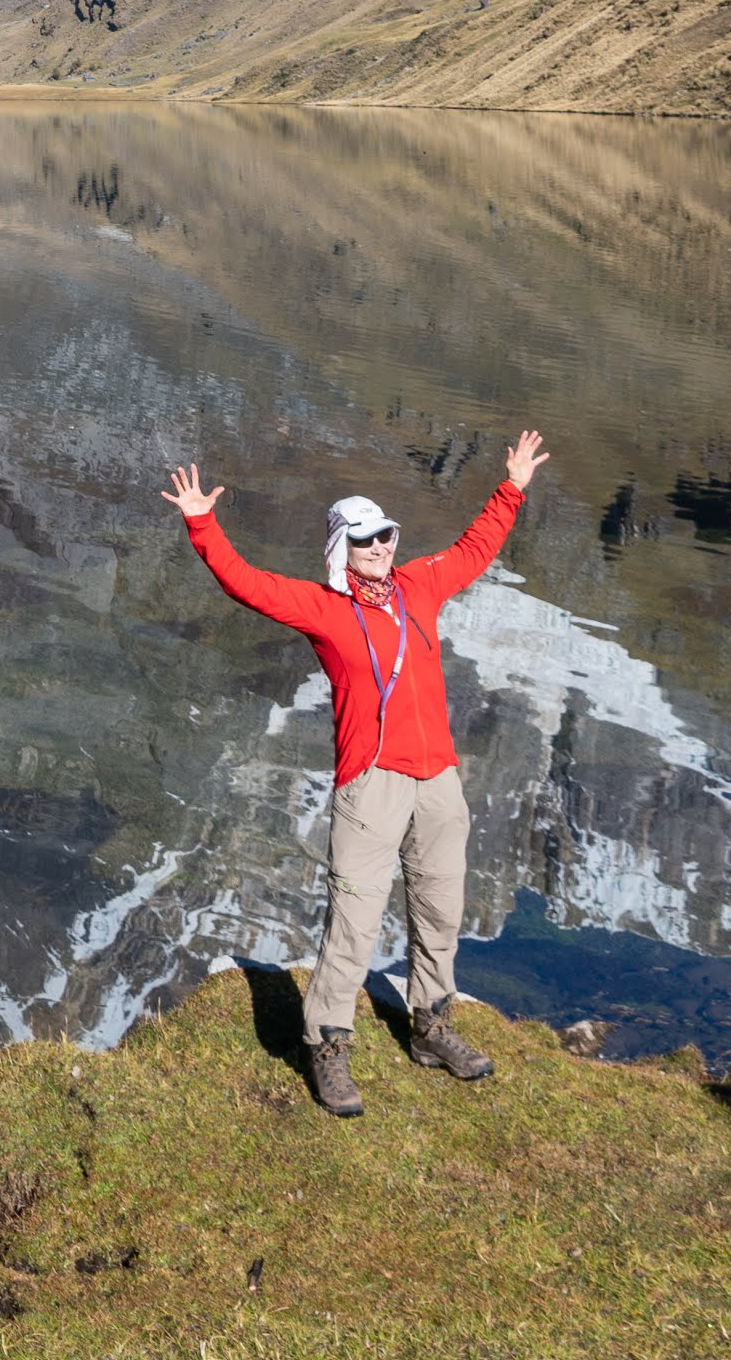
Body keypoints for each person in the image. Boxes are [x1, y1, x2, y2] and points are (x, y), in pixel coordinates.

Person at [163, 431, 548, 1116]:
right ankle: (327, 1046)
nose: (379, 547)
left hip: (439, 779)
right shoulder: (324, 609)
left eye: (386, 536)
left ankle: (432, 1027)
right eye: (365, 539)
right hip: (371, 783)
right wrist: (202, 524)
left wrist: (510, 487)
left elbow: (474, 548)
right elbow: (245, 583)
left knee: (440, 909)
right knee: (354, 921)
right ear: (342, 546)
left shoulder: (420, 585)